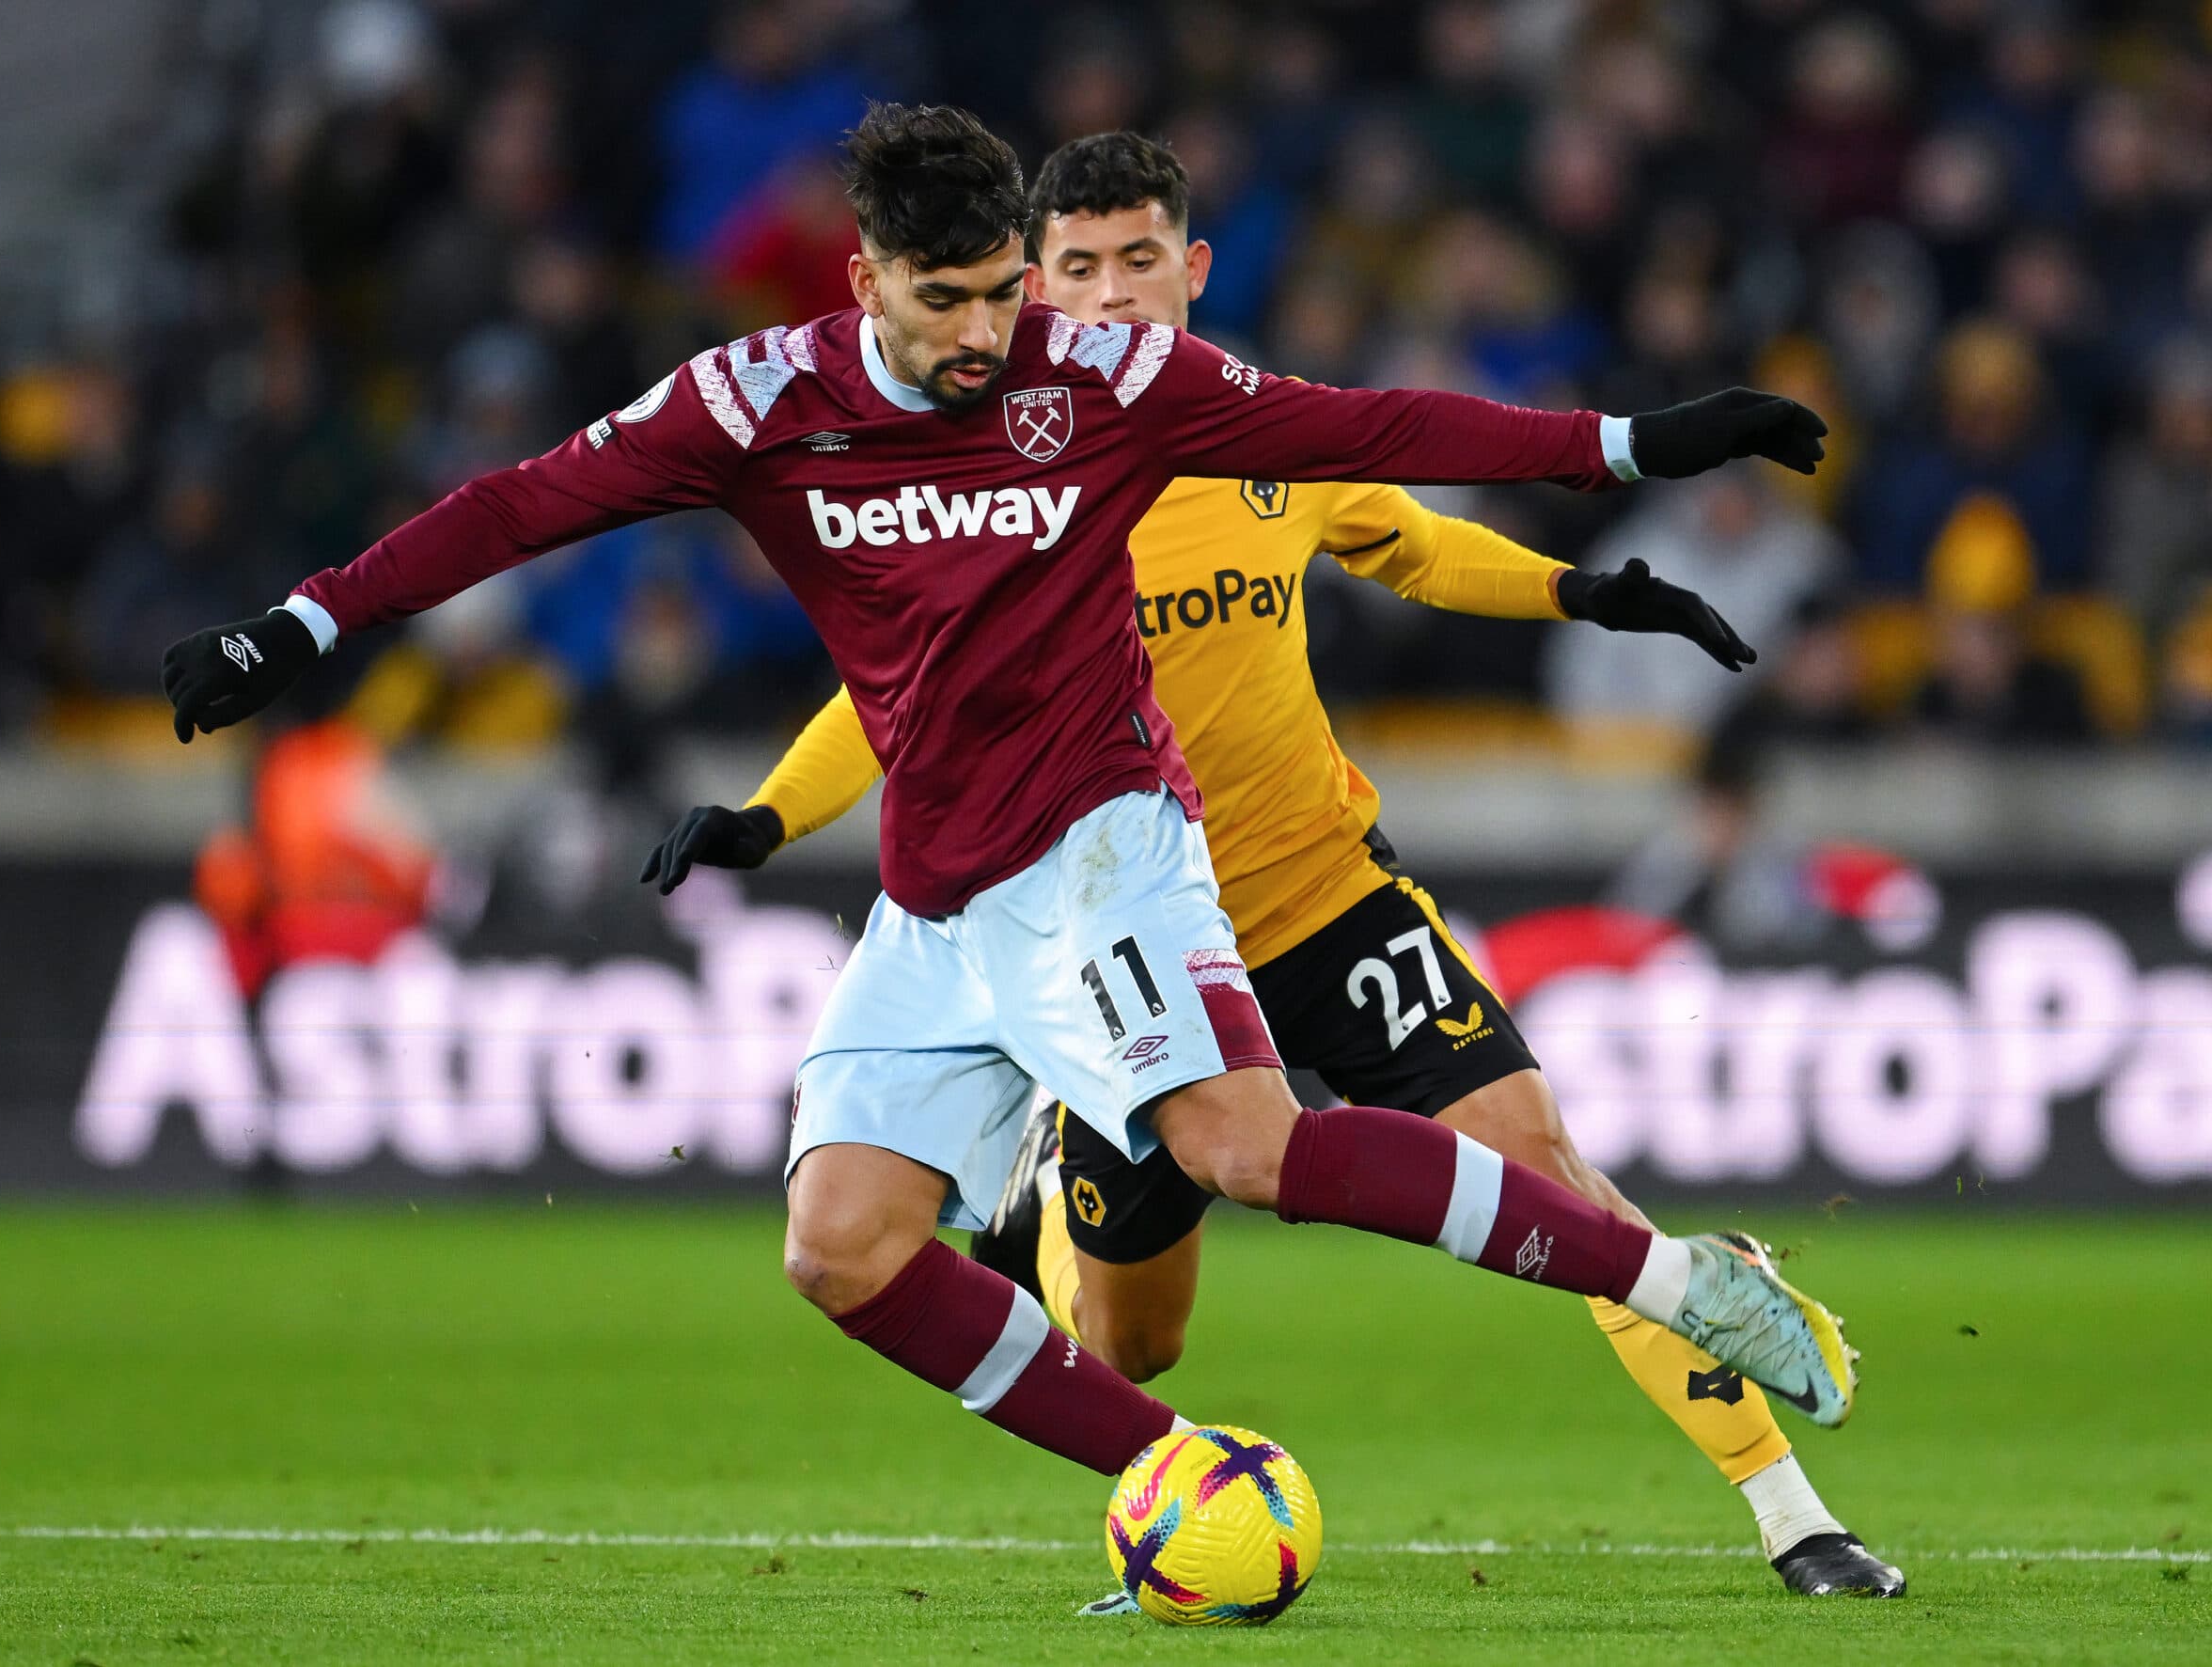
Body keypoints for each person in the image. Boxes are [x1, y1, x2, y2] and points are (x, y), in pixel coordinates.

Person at [161, 103, 1854, 1603]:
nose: (992, 334)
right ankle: (1172, 1468)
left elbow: (1385, 434)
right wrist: (304, 624)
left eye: (1004, 293)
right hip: (938, 893)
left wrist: (1627, 449)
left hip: (1117, 846)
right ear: (865, 277)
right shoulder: (753, 402)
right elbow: (517, 504)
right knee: (843, 1246)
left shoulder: (1108, 384)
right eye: (954, 297)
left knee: (1256, 1144)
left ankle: (1679, 1280)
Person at [666, 131, 1899, 1598]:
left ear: (1191, 271)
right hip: (1118, 954)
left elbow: (1418, 544)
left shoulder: (1254, 432)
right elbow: (895, 697)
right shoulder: (1005, 459)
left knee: (1552, 1170)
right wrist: (767, 814)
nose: (1112, 296)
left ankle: (1794, 1512)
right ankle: (1144, 1438)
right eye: (1076, 269)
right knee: (1134, 1342)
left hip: (1325, 901)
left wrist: (1589, 590)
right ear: (1028, 287)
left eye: (1140, 262)